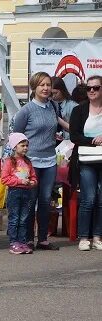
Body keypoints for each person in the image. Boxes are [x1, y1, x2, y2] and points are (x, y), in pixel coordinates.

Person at [11, 72, 59, 250]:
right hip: (31, 161)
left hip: (50, 160)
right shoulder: (26, 110)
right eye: (42, 85)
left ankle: (43, 238)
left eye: (48, 84)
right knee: (30, 200)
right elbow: (16, 136)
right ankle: (28, 238)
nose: (46, 88)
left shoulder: (53, 106)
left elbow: (56, 126)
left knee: (46, 200)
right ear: (34, 87)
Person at [69, 74, 102, 251]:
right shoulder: (79, 110)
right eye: (89, 88)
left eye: (95, 88)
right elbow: (74, 136)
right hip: (86, 159)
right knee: (89, 198)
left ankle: (97, 236)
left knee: (101, 199)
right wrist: (93, 141)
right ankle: (83, 237)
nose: (91, 91)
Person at [1, 132, 36, 255]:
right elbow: (4, 179)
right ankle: (13, 242)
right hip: (14, 192)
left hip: (27, 192)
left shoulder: (28, 162)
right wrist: (20, 181)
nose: (25, 148)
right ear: (15, 147)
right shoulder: (9, 161)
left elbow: (33, 177)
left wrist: (32, 182)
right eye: (22, 145)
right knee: (14, 218)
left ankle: (22, 242)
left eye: (26, 145)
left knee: (24, 219)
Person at [51, 76, 77, 141]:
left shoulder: (73, 106)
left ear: (62, 90)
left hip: (68, 141)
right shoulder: (49, 104)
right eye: (51, 94)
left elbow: (75, 130)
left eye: (55, 93)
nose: (53, 96)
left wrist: (57, 118)